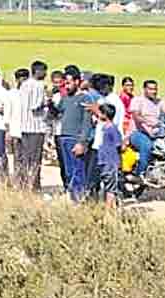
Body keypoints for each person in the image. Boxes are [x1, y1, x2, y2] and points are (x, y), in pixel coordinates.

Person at [55, 65, 95, 200]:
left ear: (77, 82)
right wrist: (49, 104)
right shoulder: (65, 98)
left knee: (78, 171)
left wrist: (82, 142)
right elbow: (57, 112)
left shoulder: (85, 99)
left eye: (69, 83)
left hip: (75, 139)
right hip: (64, 138)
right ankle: (72, 197)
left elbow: (87, 122)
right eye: (65, 83)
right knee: (68, 172)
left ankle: (80, 199)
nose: (66, 86)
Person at [16, 61, 51, 191]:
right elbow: (35, 106)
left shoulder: (24, 85)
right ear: (37, 71)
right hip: (35, 127)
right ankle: (33, 186)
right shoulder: (38, 85)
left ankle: (26, 184)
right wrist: (47, 102)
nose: (45, 74)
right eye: (44, 71)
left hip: (24, 126)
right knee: (35, 159)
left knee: (26, 158)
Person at [129, 79, 165, 177]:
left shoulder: (159, 101)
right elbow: (136, 116)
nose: (154, 91)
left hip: (155, 134)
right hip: (138, 133)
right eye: (151, 89)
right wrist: (147, 122)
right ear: (144, 89)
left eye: (155, 89)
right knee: (147, 146)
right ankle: (139, 174)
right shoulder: (137, 100)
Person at [6, 68, 30, 183]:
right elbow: (7, 112)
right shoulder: (12, 94)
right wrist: (8, 131)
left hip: (30, 130)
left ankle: (28, 180)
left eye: (25, 79)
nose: (23, 82)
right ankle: (18, 181)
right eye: (21, 79)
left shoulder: (31, 93)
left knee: (29, 157)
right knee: (17, 157)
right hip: (16, 130)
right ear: (17, 80)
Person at [98, 104, 123, 210]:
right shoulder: (108, 128)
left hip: (108, 162)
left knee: (110, 188)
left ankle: (108, 210)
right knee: (109, 187)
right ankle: (110, 210)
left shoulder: (110, 129)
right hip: (107, 161)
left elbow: (118, 145)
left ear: (105, 114)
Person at [50, 68, 69, 187]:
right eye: (55, 82)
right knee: (62, 161)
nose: (57, 85)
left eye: (59, 82)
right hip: (57, 131)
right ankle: (65, 185)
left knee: (68, 162)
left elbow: (58, 112)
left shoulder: (66, 95)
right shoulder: (54, 94)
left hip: (67, 131)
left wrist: (51, 106)